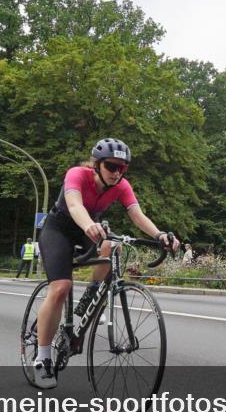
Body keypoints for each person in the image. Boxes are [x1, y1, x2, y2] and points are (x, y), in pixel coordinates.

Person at [32, 138, 179, 389]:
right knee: (61, 287)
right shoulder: (77, 174)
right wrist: (88, 223)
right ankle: (42, 358)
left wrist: (159, 235)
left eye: (122, 168)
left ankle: (91, 295)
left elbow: (137, 214)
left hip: (90, 230)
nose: (117, 173)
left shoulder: (121, 186)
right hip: (59, 230)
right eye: (112, 166)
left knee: (113, 245)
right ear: (97, 164)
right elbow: (75, 204)